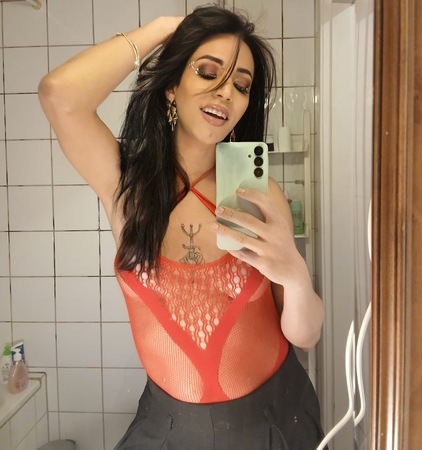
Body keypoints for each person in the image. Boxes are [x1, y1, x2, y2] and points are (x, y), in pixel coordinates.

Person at [38, 5, 325, 449]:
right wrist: (165, 29)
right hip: (167, 429)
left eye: (241, 85)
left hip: (274, 420)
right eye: (208, 72)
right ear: (171, 85)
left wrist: (296, 275)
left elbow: (305, 336)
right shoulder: (125, 185)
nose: (226, 92)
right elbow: (59, 95)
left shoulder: (258, 192)